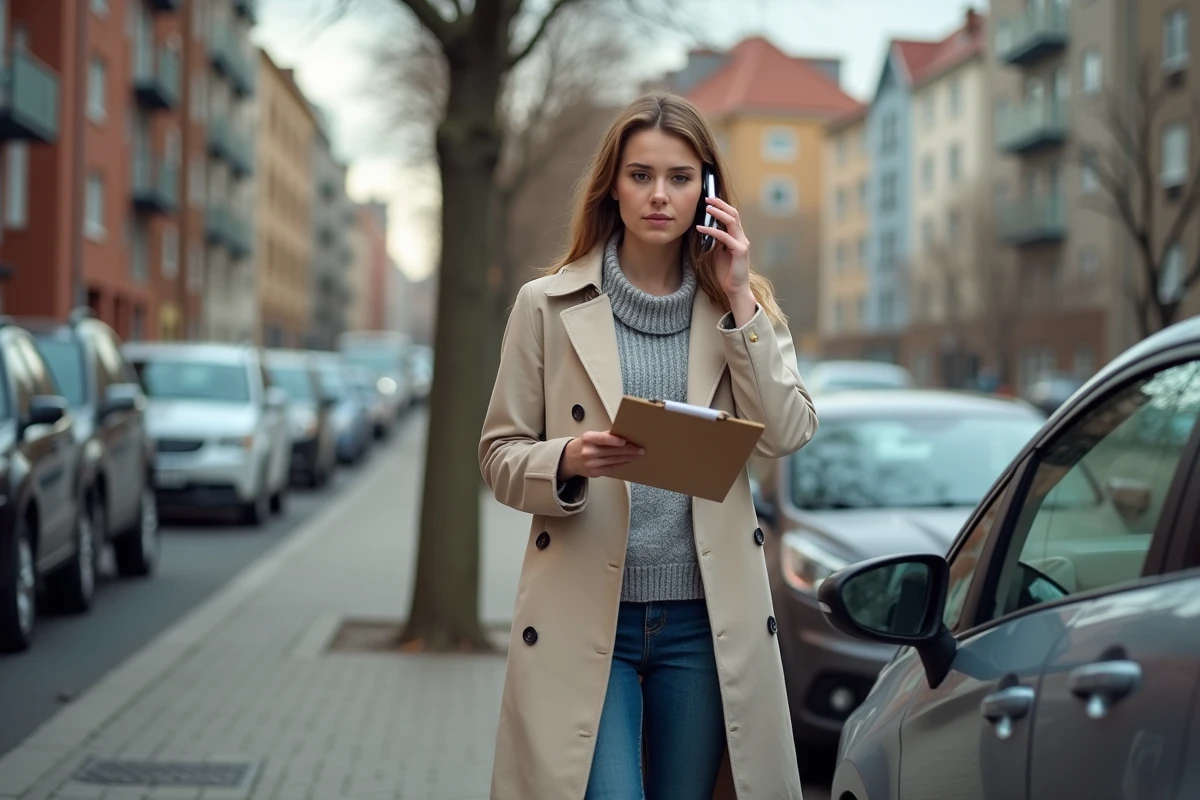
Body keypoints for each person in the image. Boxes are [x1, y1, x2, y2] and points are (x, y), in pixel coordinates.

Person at [478, 92, 818, 800]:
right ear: (612, 184)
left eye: (680, 177)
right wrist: (566, 462)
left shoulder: (739, 310)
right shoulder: (546, 306)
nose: (659, 195)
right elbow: (499, 455)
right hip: (584, 618)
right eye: (640, 175)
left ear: (709, 191)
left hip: (701, 624)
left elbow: (786, 433)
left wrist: (742, 300)